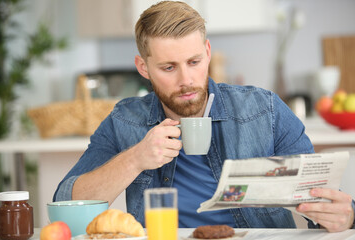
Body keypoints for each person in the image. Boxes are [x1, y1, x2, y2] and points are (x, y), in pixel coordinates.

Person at [54, 1, 355, 232]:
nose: (186, 79)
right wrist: (135, 159)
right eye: (168, 67)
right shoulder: (125, 120)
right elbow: (66, 205)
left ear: (208, 52)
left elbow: (323, 200)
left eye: (194, 61)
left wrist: (345, 215)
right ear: (143, 68)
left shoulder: (265, 110)